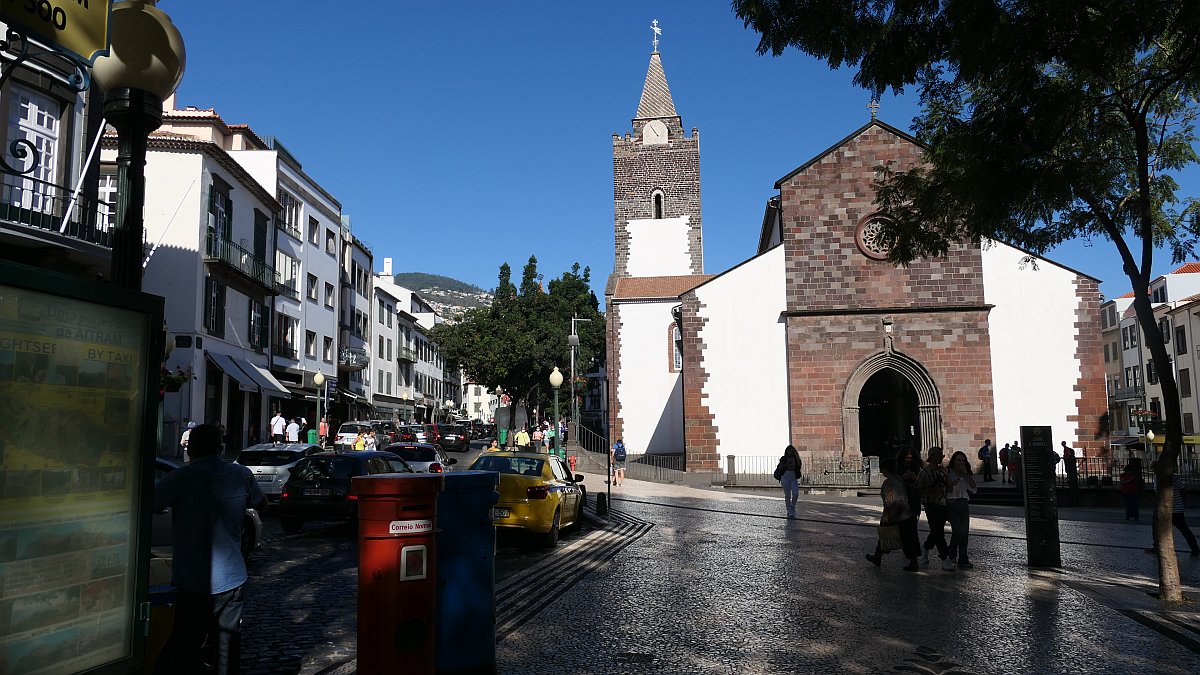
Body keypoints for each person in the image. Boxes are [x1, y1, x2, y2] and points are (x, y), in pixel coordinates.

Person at [153, 423, 266, 675]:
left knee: (188, 648)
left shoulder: (181, 478)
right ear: (220, 447)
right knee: (227, 648)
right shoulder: (241, 475)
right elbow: (263, 504)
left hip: (194, 581)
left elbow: (149, 503)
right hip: (232, 578)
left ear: (190, 450)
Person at [865, 454, 919, 572]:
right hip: (907, 512)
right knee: (907, 538)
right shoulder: (900, 479)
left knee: (887, 534)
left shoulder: (888, 483)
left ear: (885, 469)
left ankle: (878, 557)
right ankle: (879, 557)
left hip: (896, 515)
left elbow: (889, 502)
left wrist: (886, 516)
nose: (880, 470)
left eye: (881, 468)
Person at [1144, 461, 1200, 557]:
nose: (1154, 471)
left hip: (1175, 508)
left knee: (1183, 529)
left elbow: (1183, 491)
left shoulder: (1173, 478)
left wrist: (1182, 504)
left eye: (1154, 468)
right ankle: (1157, 547)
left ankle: (1195, 549)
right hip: (1162, 508)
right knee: (1156, 528)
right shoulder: (1157, 478)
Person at [918, 446, 955, 571]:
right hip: (930, 504)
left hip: (943, 504)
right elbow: (918, 489)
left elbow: (950, 489)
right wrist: (932, 491)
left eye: (941, 455)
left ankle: (926, 547)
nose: (940, 458)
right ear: (932, 457)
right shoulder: (924, 473)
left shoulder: (942, 471)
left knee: (936, 531)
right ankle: (944, 558)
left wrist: (946, 475)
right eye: (938, 455)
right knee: (938, 531)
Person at [946, 450, 978, 568]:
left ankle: (963, 558)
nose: (960, 462)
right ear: (954, 461)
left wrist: (966, 474)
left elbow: (974, 489)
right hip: (952, 502)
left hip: (963, 502)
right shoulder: (948, 472)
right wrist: (950, 484)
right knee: (958, 530)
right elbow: (945, 489)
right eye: (958, 460)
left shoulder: (965, 473)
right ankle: (952, 553)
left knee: (965, 532)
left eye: (963, 460)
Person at [775, 445, 803, 518]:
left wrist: (796, 459)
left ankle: (792, 506)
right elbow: (780, 467)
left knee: (795, 493)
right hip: (785, 477)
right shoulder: (784, 459)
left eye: (791, 451)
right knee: (787, 495)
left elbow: (799, 466)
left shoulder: (796, 459)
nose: (790, 452)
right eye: (789, 451)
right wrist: (787, 464)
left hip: (793, 477)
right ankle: (789, 510)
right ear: (786, 452)